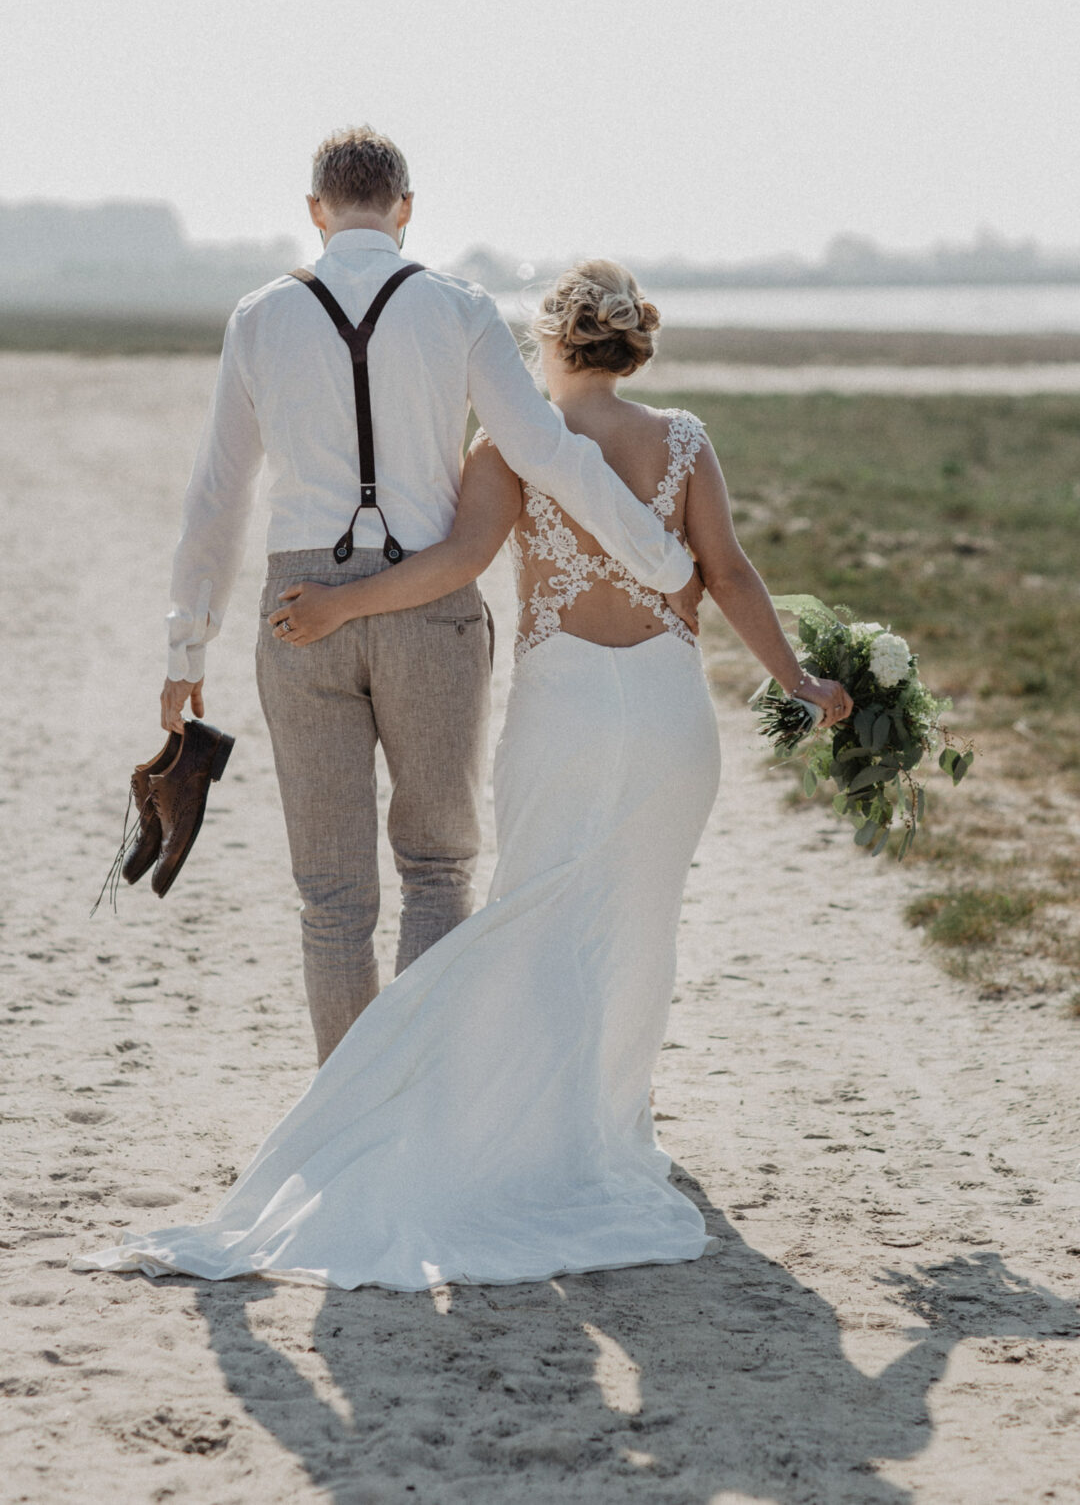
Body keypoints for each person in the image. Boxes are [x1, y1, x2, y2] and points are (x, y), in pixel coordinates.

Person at [75, 261, 851, 1290]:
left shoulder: (512, 448)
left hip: (565, 709)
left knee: (533, 909)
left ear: (552, 342)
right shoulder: (684, 441)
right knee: (641, 920)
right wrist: (801, 680)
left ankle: (515, 1119)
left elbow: (455, 563)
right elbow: (732, 573)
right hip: (668, 712)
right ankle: (612, 1126)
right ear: (635, 345)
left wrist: (342, 607)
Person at [158, 126, 701, 1066]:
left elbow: (217, 493)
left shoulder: (258, 316)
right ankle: (417, 1116)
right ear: (406, 208)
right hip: (429, 603)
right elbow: (543, 449)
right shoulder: (458, 306)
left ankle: (343, 1123)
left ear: (317, 211)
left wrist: (184, 652)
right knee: (438, 870)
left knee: (330, 895)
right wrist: (657, 556)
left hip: (302, 609)